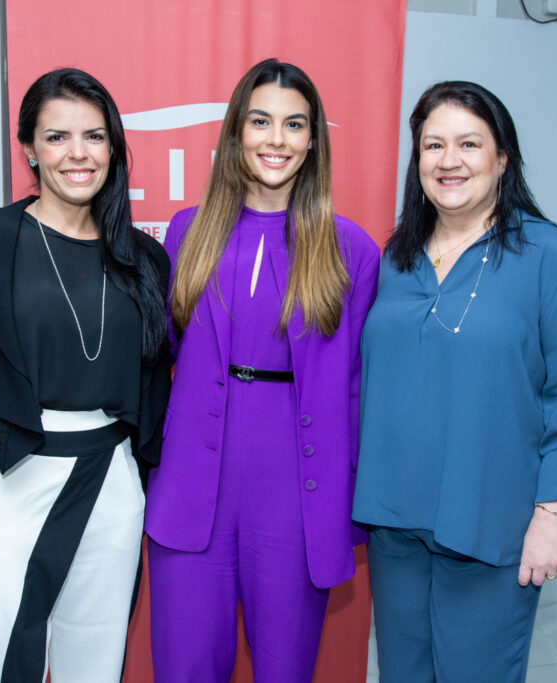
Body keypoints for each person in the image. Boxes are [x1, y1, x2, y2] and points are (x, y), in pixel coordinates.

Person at [353, 81, 557, 683]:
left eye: (469, 144)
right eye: (433, 145)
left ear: (502, 160)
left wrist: (555, 517)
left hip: (491, 525)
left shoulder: (548, 257)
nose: (450, 160)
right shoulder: (397, 257)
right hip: (395, 523)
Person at [0, 68, 170, 683]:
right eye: (57, 137)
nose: (78, 153)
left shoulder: (144, 258)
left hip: (112, 484)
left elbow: (154, 389)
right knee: (1, 664)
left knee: (96, 661)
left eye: (94, 136)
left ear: (113, 148)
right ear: (29, 149)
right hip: (11, 480)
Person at [143, 58, 380, 682]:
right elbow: (161, 356)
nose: (277, 139)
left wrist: (353, 500)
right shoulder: (187, 232)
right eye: (261, 121)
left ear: (313, 141)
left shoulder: (350, 249)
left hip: (295, 497)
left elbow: (357, 388)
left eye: (294, 124)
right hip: (192, 485)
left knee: (284, 670)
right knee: (184, 667)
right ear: (236, 132)